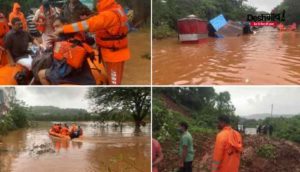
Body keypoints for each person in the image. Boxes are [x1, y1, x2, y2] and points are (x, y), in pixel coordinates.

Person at [55, 0, 130, 85]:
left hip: (114, 55)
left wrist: (64, 29)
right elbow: (100, 20)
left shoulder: (109, 15)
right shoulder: (115, 8)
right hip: (111, 51)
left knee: (114, 84)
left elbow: (88, 24)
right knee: (111, 80)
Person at [37, 16, 96, 85]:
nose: (56, 29)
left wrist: (58, 41)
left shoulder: (62, 40)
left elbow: (62, 65)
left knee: (40, 74)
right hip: (85, 75)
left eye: (57, 26)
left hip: (70, 74)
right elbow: (91, 41)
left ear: (65, 24)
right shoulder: (78, 34)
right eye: (54, 27)